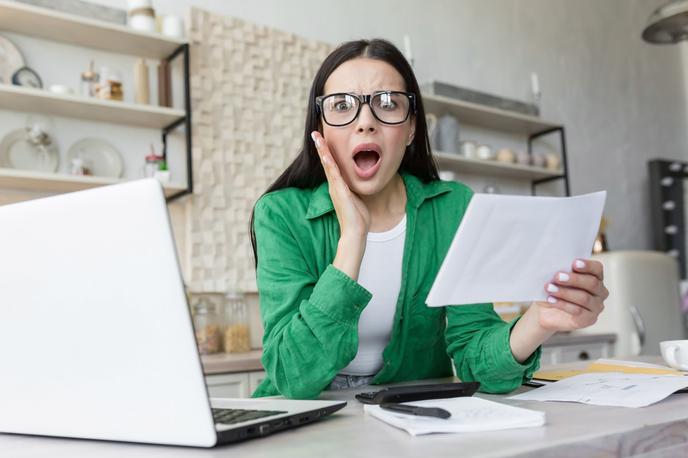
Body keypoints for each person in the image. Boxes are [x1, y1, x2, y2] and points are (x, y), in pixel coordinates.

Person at [249, 38, 608, 399]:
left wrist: (540, 319)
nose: (365, 122)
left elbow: (480, 366)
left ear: (411, 129)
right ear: (321, 129)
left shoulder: (453, 209)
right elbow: (292, 377)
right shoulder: (280, 214)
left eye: (388, 104)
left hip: (413, 421)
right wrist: (352, 241)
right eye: (341, 106)